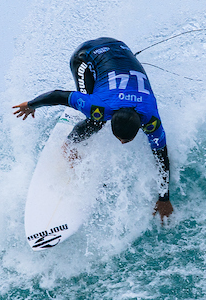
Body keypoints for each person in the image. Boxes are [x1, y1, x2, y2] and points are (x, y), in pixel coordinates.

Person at [12, 37, 174, 223]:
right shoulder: (98, 106)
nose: (121, 142)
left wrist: (164, 197)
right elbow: (59, 96)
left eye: (125, 139)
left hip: (122, 49)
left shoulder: (151, 118)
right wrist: (31, 105)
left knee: (99, 113)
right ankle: (68, 147)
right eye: (121, 138)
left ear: (141, 126)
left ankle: (101, 84)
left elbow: (162, 155)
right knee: (95, 122)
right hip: (87, 56)